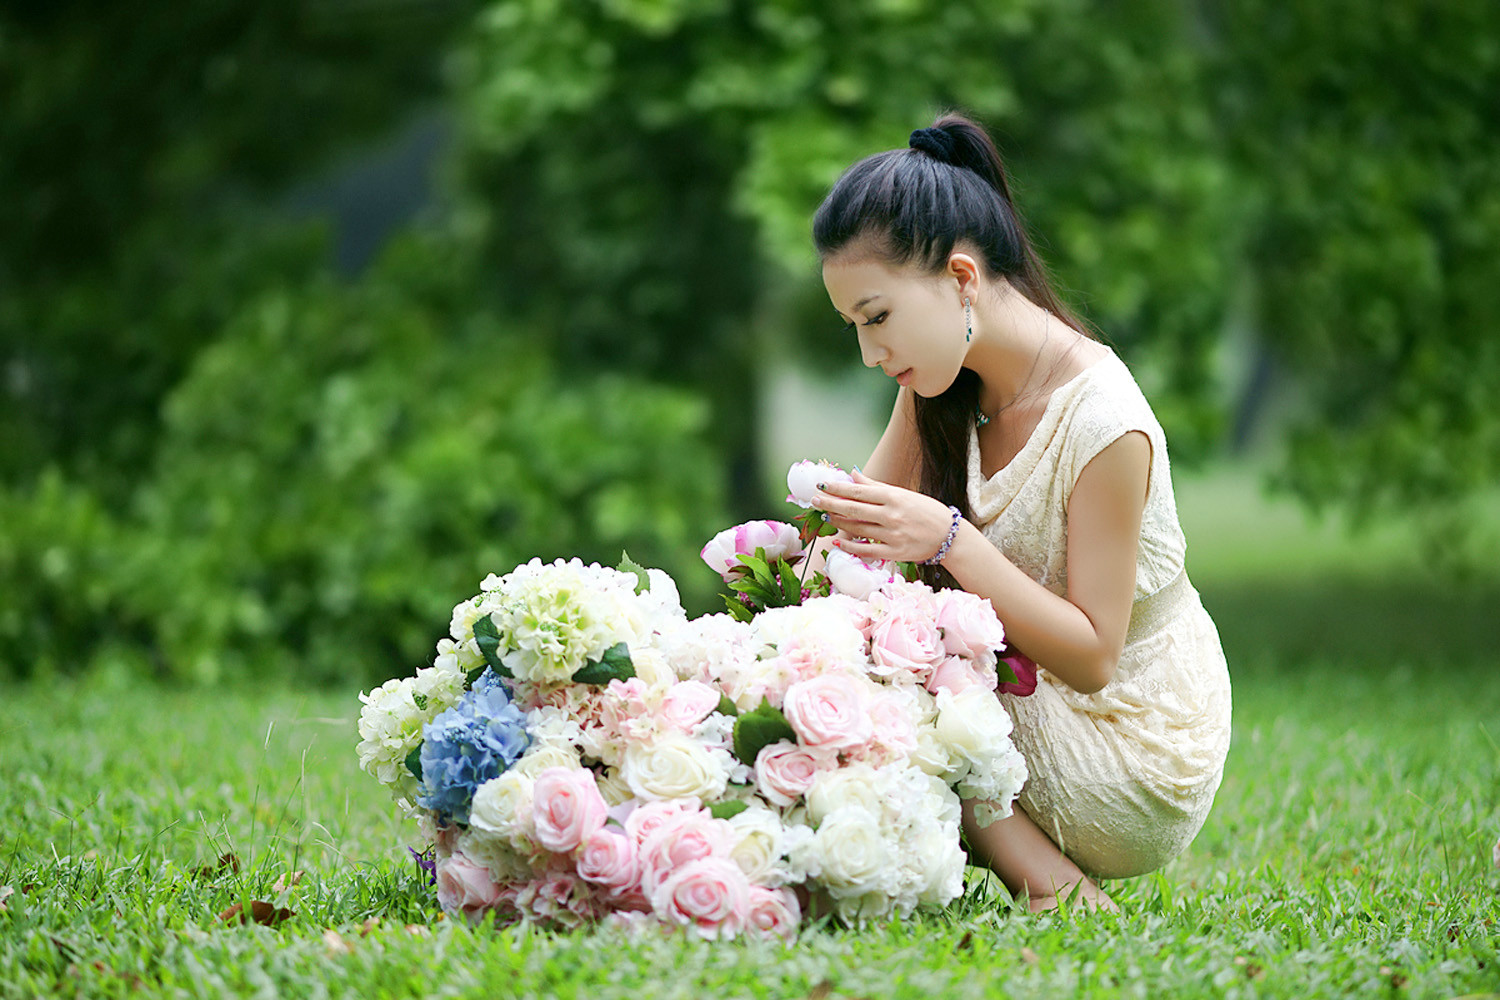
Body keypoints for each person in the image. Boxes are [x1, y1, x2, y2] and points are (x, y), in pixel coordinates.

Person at [807, 113, 1232, 912]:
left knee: (908, 661)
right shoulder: (936, 380)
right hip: (1032, 695)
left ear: (962, 278)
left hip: (1133, 741)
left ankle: (1058, 890)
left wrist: (952, 542)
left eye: (877, 317)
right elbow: (846, 557)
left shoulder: (1104, 420)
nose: (869, 353)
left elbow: (1094, 655)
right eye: (854, 327)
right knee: (844, 650)